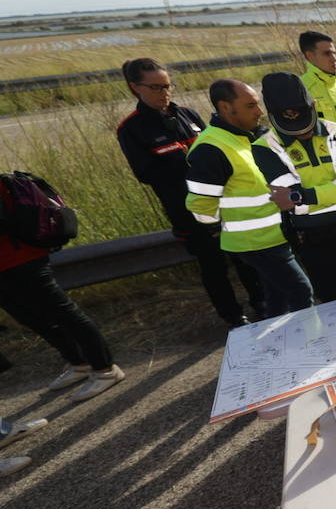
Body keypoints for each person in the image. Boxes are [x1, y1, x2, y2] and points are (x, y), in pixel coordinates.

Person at [116, 58, 262, 327]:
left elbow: (218, 148)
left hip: (225, 202)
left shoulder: (188, 114)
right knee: (213, 265)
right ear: (136, 87)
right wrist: (191, 165)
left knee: (244, 258)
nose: (165, 92)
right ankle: (232, 316)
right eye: (156, 87)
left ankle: (261, 305)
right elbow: (146, 173)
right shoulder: (131, 129)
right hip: (187, 210)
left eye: (168, 86)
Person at [185, 79, 315, 318]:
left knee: (277, 296)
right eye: (250, 106)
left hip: (273, 236)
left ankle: (275, 345)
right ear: (226, 107)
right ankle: (309, 346)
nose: (259, 112)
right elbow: (200, 204)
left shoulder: (251, 136)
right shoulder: (210, 148)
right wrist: (218, 228)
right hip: (254, 242)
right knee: (300, 291)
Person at [0, 181, 125, 401]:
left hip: (20, 260)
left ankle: (106, 370)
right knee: (32, 318)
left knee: (63, 312)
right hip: (7, 264)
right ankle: (79, 363)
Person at [253, 72, 336, 303]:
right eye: (291, 127)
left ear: (313, 106)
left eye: (305, 124)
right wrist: (326, 194)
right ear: (271, 117)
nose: (302, 132)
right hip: (312, 239)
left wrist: (300, 196)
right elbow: (293, 206)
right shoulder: (263, 148)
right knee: (335, 304)